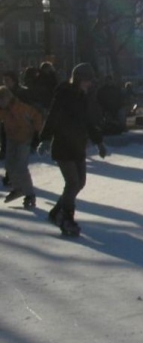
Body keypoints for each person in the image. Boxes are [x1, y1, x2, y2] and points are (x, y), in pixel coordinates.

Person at [37, 63, 108, 237]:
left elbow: (89, 121)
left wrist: (99, 142)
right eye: (87, 80)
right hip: (63, 145)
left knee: (80, 182)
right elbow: (53, 115)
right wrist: (45, 139)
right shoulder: (64, 93)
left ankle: (56, 212)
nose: (90, 84)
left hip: (77, 145)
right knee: (72, 182)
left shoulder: (84, 97)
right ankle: (67, 218)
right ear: (78, 79)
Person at [0, 85, 43, 208]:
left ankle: (30, 194)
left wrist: (37, 133)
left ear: (7, 98)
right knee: (9, 164)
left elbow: (37, 116)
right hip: (11, 138)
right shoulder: (3, 110)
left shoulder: (22, 107)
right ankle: (18, 188)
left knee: (21, 167)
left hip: (25, 138)